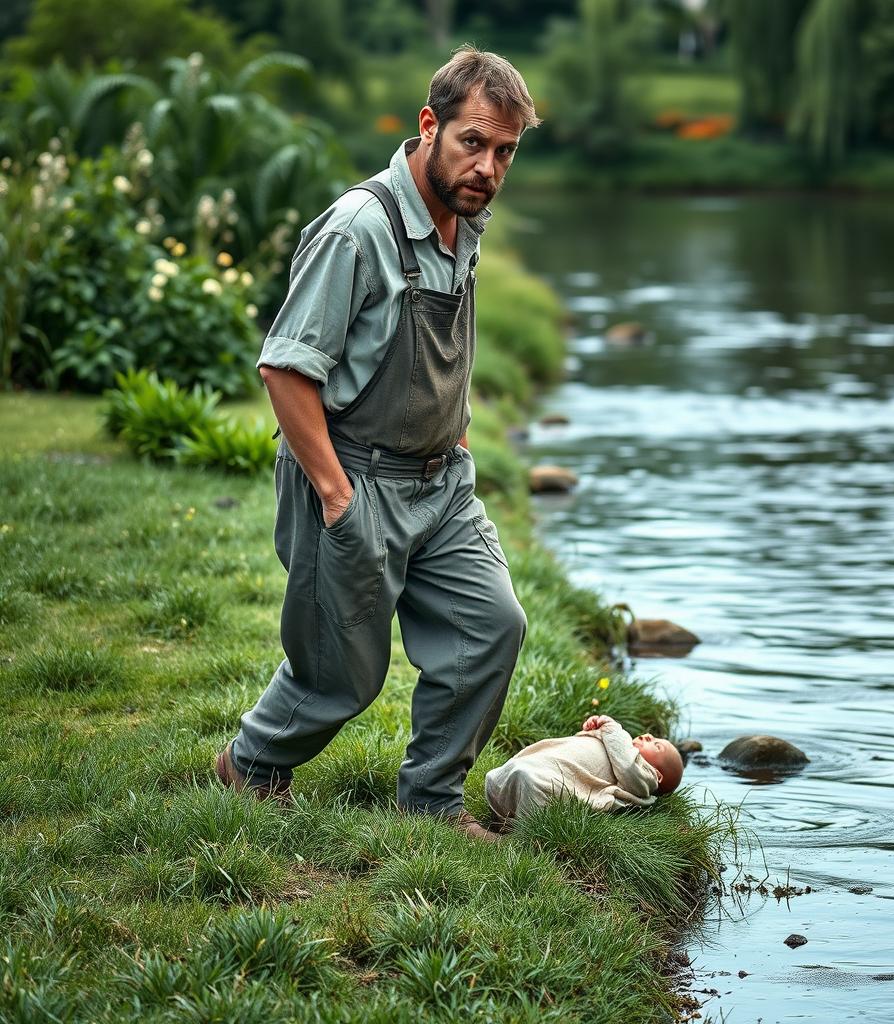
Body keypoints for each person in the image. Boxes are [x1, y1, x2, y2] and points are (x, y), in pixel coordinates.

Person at [215, 46, 541, 843]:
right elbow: (286, 370)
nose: (488, 167)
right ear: (428, 126)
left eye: (505, 151)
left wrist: (452, 424)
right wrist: (335, 497)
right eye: (473, 142)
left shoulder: (463, 215)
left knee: (491, 627)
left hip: (443, 483)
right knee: (343, 676)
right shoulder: (357, 230)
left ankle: (430, 803)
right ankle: (249, 765)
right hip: (353, 475)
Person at [484, 714, 685, 826]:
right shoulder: (620, 746)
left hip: (546, 777)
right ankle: (505, 804)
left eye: (656, 745)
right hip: (555, 762)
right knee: (519, 769)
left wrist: (612, 728)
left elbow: (627, 765)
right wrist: (593, 731)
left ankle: (518, 833)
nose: (648, 735)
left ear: (657, 775)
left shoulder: (643, 777)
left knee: (532, 779)